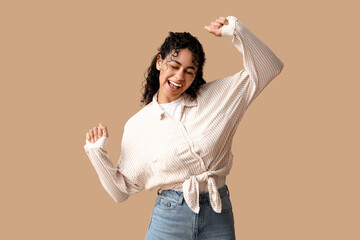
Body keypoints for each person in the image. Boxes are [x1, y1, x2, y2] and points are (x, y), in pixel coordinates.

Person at [84, 15, 284, 240]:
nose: (180, 76)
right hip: (170, 215)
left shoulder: (217, 97)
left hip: (218, 212)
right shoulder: (139, 126)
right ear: (160, 62)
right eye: (174, 65)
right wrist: (96, 152)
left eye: (190, 71)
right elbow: (120, 192)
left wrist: (237, 31)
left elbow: (270, 67)